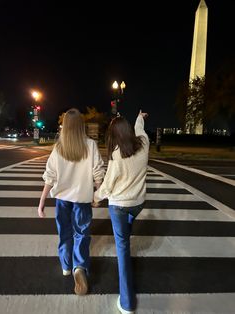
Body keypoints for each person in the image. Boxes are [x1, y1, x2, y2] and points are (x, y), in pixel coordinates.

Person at [37, 108, 105, 295]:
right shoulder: (90, 145)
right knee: (81, 234)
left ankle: (66, 266)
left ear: (65, 126)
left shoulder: (59, 147)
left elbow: (49, 176)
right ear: (81, 125)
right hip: (82, 200)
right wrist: (97, 194)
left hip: (62, 200)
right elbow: (98, 172)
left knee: (64, 233)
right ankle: (79, 266)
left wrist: (42, 201)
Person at [93, 110, 149, 314]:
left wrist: (96, 198)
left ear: (114, 134)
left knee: (122, 248)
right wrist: (140, 117)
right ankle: (126, 232)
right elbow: (140, 129)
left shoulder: (117, 155)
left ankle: (126, 303)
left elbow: (107, 185)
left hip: (119, 206)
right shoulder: (144, 144)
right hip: (138, 204)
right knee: (126, 234)